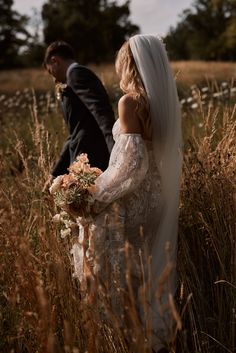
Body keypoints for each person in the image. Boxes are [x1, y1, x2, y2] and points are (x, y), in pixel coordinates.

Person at [71, 34, 182, 353]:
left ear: (128, 64)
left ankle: (119, 335)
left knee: (105, 256)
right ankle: (147, 331)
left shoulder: (130, 101)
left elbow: (132, 164)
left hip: (133, 197)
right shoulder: (159, 103)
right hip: (155, 196)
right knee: (139, 265)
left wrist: (94, 194)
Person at [44, 41, 115, 177]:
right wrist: (56, 173)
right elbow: (75, 132)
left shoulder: (77, 74)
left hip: (91, 158)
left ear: (54, 61)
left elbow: (101, 112)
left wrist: (114, 152)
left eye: (49, 71)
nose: (52, 78)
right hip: (80, 157)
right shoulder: (72, 78)